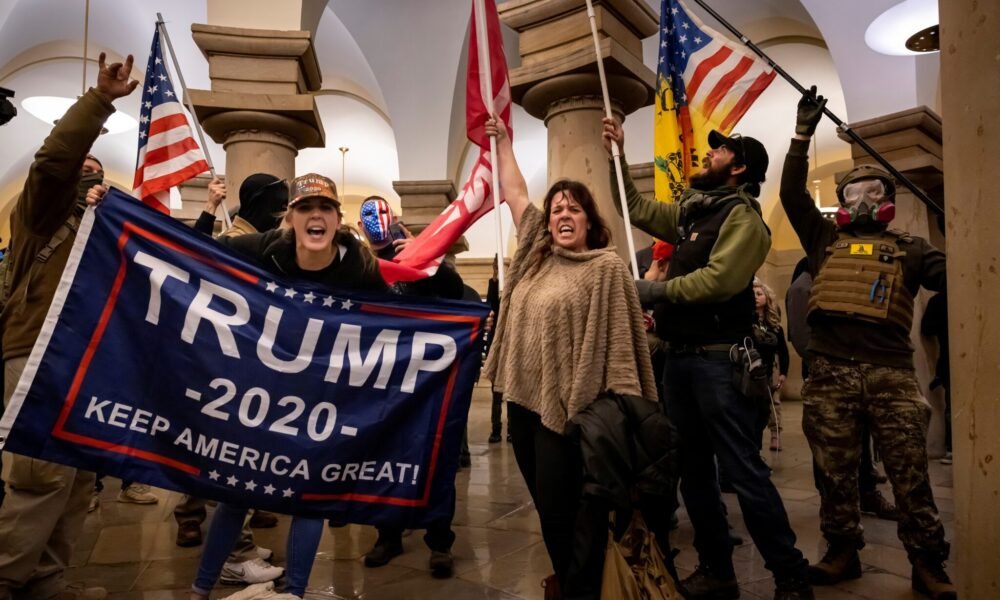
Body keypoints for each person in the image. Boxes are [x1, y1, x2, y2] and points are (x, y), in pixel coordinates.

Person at [603, 117, 813, 600]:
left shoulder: (744, 220)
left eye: (719, 151)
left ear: (738, 168)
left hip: (718, 364)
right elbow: (634, 207)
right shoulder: (694, 214)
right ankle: (719, 569)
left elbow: (717, 282)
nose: (708, 154)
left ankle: (791, 575)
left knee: (742, 471)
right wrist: (619, 152)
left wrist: (649, 290)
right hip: (680, 363)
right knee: (694, 472)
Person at [784, 87, 954, 599]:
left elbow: (957, 276)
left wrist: (964, 228)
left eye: (874, 191)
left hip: (890, 375)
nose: (862, 199)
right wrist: (801, 136)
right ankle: (842, 551)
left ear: (888, 201)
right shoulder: (823, 243)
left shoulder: (913, 250)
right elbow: (792, 194)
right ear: (840, 204)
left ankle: (927, 562)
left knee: (909, 473)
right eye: (853, 193)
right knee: (834, 473)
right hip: (831, 372)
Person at [186, 173, 388, 599]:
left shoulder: (359, 265)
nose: (316, 215)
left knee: (311, 495)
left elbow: (398, 318)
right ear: (290, 218)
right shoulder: (262, 250)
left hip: (321, 396)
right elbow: (195, 254)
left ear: (337, 219)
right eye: (305, 208)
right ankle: (200, 589)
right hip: (262, 391)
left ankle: (295, 592)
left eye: (325, 209)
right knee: (236, 491)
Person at [483, 115, 657, 600]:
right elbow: (515, 192)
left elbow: (624, 348)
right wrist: (500, 140)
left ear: (589, 221)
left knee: (571, 513)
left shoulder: (604, 269)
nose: (562, 214)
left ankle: (583, 586)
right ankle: (574, 581)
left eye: (573, 209)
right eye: (557, 207)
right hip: (522, 401)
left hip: (571, 414)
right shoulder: (535, 256)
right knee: (548, 508)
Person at [0, 53, 138, 600]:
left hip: (87, 368)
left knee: (77, 481)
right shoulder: (40, 218)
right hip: (36, 355)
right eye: (83, 176)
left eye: (98, 178)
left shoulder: (102, 237)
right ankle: (7, 579)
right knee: (38, 479)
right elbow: (54, 163)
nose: (90, 183)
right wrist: (99, 101)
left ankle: (47, 581)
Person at [356, 195, 465, 578]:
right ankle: (387, 534)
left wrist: (426, 257)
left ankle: (439, 539)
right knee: (381, 460)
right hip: (380, 381)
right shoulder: (359, 268)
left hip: (428, 381)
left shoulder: (420, 258)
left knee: (436, 460)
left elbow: (458, 294)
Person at [751, 279, 789, 451]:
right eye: (753, 295)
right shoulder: (747, 323)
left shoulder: (774, 326)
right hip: (752, 371)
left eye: (759, 294)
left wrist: (783, 373)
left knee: (774, 403)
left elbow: (783, 351)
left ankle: (776, 433)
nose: (756, 298)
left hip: (769, 369)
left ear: (767, 297)